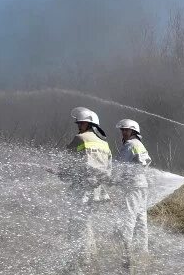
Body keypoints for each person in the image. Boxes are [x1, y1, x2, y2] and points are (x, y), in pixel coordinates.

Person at [59, 107, 112, 262]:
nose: (78, 126)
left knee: (77, 223)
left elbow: (68, 163)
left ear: (89, 125)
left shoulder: (79, 139)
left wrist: (62, 174)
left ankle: (81, 258)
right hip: (97, 191)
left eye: (81, 124)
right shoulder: (104, 144)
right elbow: (108, 171)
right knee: (86, 221)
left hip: (81, 188)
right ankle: (90, 254)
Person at [113, 118, 152, 259]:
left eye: (126, 130)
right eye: (122, 130)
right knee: (141, 219)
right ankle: (143, 251)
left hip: (132, 187)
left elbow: (117, 164)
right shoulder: (140, 145)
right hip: (142, 185)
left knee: (128, 217)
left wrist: (111, 177)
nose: (123, 133)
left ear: (133, 131)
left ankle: (126, 250)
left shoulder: (129, 144)